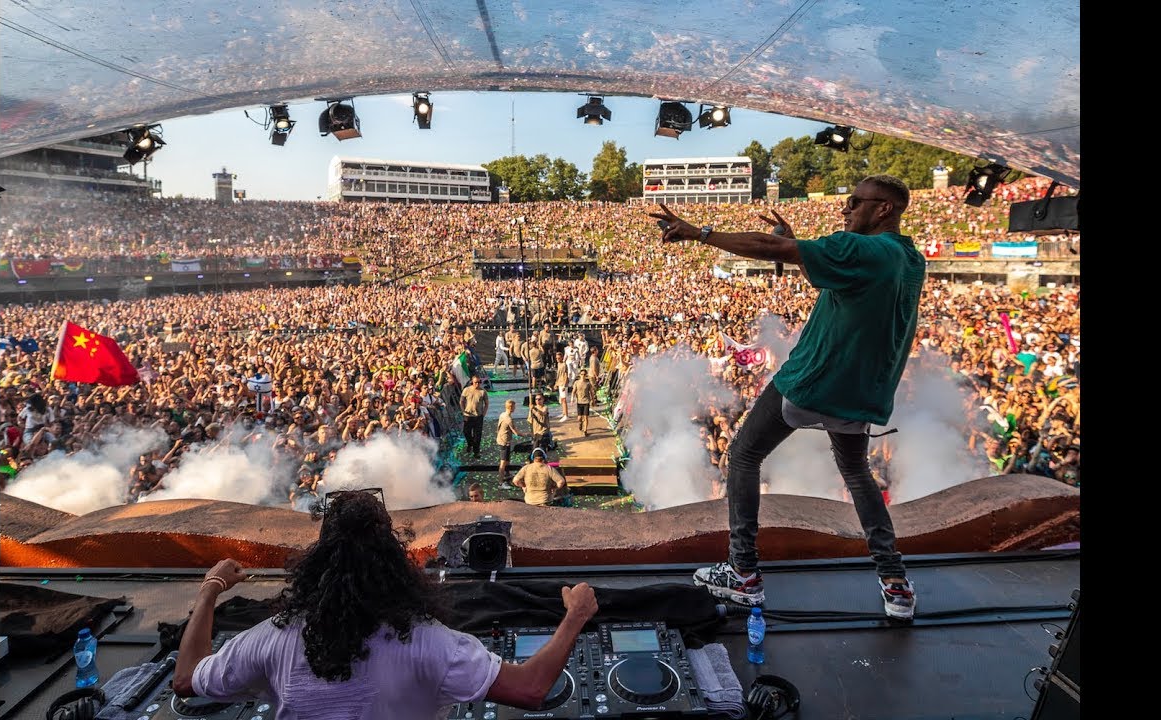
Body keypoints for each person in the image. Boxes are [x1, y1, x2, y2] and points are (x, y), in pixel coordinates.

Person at [651, 174, 925, 620]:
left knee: (742, 456)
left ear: (884, 209)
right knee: (857, 472)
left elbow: (769, 248)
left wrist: (699, 232)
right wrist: (801, 249)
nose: (846, 209)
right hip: (862, 393)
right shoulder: (908, 258)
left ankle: (743, 573)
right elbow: (839, 282)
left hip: (814, 379)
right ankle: (895, 583)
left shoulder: (863, 248)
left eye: (856, 202)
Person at [172, 490, 600, 716]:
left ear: (318, 562)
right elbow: (530, 690)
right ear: (395, 561)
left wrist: (209, 587)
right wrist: (575, 615)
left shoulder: (271, 638)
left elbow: (186, 681)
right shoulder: (432, 644)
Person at [496, 399, 524, 488]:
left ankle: (507, 475)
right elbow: (516, 432)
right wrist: (527, 434)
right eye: (515, 406)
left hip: (502, 440)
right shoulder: (509, 419)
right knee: (503, 462)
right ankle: (500, 483)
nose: (515, 408)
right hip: (504, 442)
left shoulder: (502, 414)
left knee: (507, 460)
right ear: (511, 407)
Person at [459, 375, 488, 459]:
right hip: (468, 415)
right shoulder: (466, 390)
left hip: (478, 416)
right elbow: (461, 401)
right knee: (466, 432)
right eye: (476, 382)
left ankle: (476, 451)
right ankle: (470, 443)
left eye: (479, 382)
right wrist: (463, 411)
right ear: (472, 382)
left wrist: (484, 413)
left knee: (477, 435)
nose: (477, 384)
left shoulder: (483, 391)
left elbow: (486, 403)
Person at [571, 370, 595, 437]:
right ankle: (580, 423)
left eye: (584, 374)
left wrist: (593, 400)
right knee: (579, 417)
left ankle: (585, 430)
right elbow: (573, 391)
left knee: (586, 417)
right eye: (582, 374)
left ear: (586, 375)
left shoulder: (588, 384)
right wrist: (572, 398)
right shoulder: (576, 383)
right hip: (579, 402)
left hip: (586, 401)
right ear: (579, 375)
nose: (583, 376)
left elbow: (591, 393)